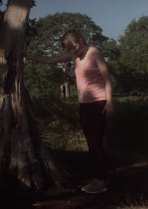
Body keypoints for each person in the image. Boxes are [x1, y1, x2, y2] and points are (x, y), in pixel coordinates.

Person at [25, 29, 114, 194]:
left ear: (81, 40)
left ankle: (100, 181)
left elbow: (107, 78)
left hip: (98, 103)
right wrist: (27, 56)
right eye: (69, 49)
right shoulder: (74, 56)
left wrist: (109, 102)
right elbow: (49, 60)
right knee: (91, 143)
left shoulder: (94, 53)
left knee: (95, 142)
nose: (72, 51)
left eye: (74, 47)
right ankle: (98, 176)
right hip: (84, 105)